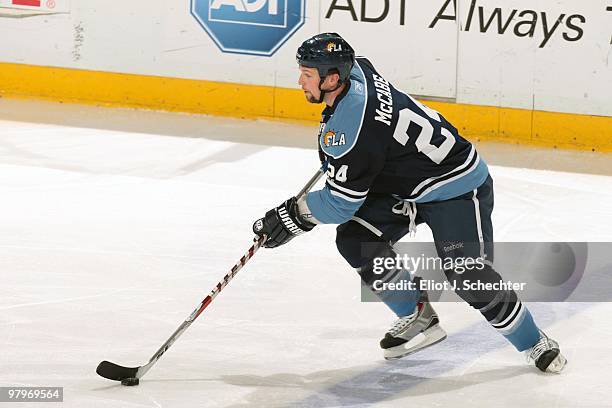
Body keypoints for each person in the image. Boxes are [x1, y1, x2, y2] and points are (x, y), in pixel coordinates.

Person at [252, 33, 566, 373]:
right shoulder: (357, 71)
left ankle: (534, 342)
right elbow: (363, 145)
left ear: (331, 78)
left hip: (455, 187)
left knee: (467, 274)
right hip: (405, 184)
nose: (300, 81)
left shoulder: (354, 125)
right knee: (356, 239)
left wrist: (294, 215)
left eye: (308, 74)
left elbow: (342, 203)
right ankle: (417, 315)